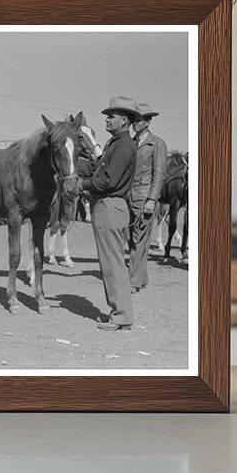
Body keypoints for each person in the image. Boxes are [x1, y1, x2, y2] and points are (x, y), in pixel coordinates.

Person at [81, 96, 139, 331]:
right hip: (109, 207)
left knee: (112, 264)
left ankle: (121, 315)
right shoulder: (115, 144)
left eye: (112, 116)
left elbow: (107, 180)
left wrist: (81, 184)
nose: (107, 119)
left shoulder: (123, 146)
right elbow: (98, 169)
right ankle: (120, 313)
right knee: (112, 263)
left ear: (124, 121)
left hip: (110, 207)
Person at [129, 102, 169, 292]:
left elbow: (159, 173)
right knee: (132, 239)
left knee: (140, 239)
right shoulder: (131, 142)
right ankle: (141, 278)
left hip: (144, 197)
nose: (134, 124)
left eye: (137, 120)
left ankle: (134, 281)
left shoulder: (157, 143)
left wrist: (152, 200)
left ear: (147, 122)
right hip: (128, 196)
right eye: (133, 120)